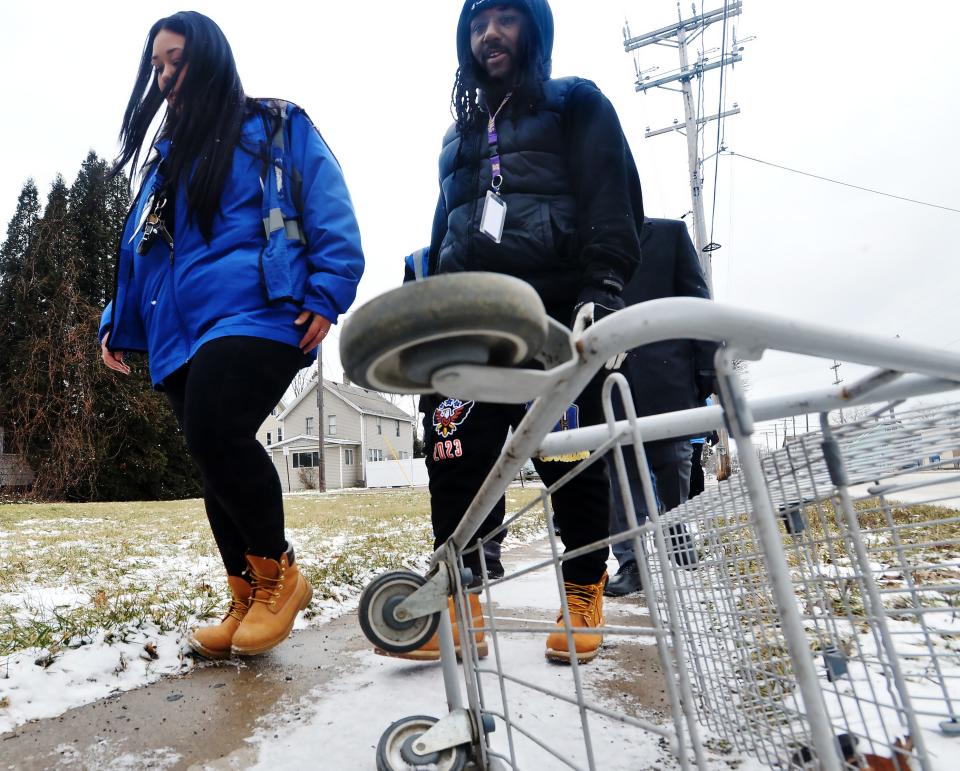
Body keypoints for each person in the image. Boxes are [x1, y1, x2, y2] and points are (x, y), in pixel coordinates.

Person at [98, 12, 364, 659]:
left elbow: (328, 201)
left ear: (211, 57)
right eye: (156, 65)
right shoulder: (165, 163)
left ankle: (281, 576)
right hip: (178, 332)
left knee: (216, 429)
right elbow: (145, 251)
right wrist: (118, 317)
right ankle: (244, 593)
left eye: (176, 59)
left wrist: (329, 287)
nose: (164, 76)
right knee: (211, 453)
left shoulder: (273, 125)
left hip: (263, 310)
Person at [392, 0, 643, 664]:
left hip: (552, 318)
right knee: (453, 461)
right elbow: (445, 232)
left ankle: (584, 590)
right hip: (466, 326)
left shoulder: (577, 105)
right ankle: (460, 600)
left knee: (570, 461)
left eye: (505, 17)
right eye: (477, 23)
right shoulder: (458, 137)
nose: (489, 34)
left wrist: (605, 288)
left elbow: (612, 201)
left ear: (534, 27)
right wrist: (424, 312)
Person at [603, 218, 715, 597]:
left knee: (674, 463)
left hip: (668, 376)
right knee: (621, 474)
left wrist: (706, 371)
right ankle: (631, 561)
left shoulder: (669, 235)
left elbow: (697, 304)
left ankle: (677, 530)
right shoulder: (591, 240)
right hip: (610, 379)